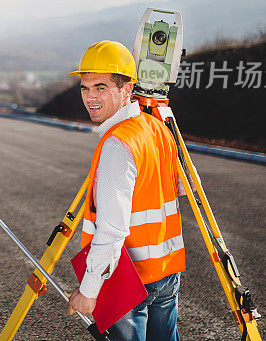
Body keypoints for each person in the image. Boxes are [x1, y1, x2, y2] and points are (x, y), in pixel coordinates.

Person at [66, 40, 185, 341]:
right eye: (85, 88)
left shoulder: (118, 145)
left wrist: (89, 291)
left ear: (127, 89)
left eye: (101, 87)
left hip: (129, 280)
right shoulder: (156, 128)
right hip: (166, 271)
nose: (90, 97)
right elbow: (179, 189)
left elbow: (111, 230)